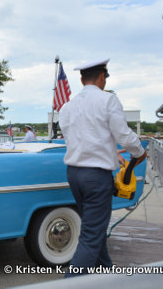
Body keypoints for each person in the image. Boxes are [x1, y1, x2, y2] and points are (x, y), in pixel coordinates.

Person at [58, 59, 146, 277]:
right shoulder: (108, 100)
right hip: (95, 178)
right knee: (90, 235)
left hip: (75, 175)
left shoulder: (67, 107)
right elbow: (123, 135)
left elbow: (77, 140)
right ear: (101, 77)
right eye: (104, 78)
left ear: (81, 80)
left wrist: (107, 152)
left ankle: (107, 273)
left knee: (93, 229)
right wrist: (139, 153)